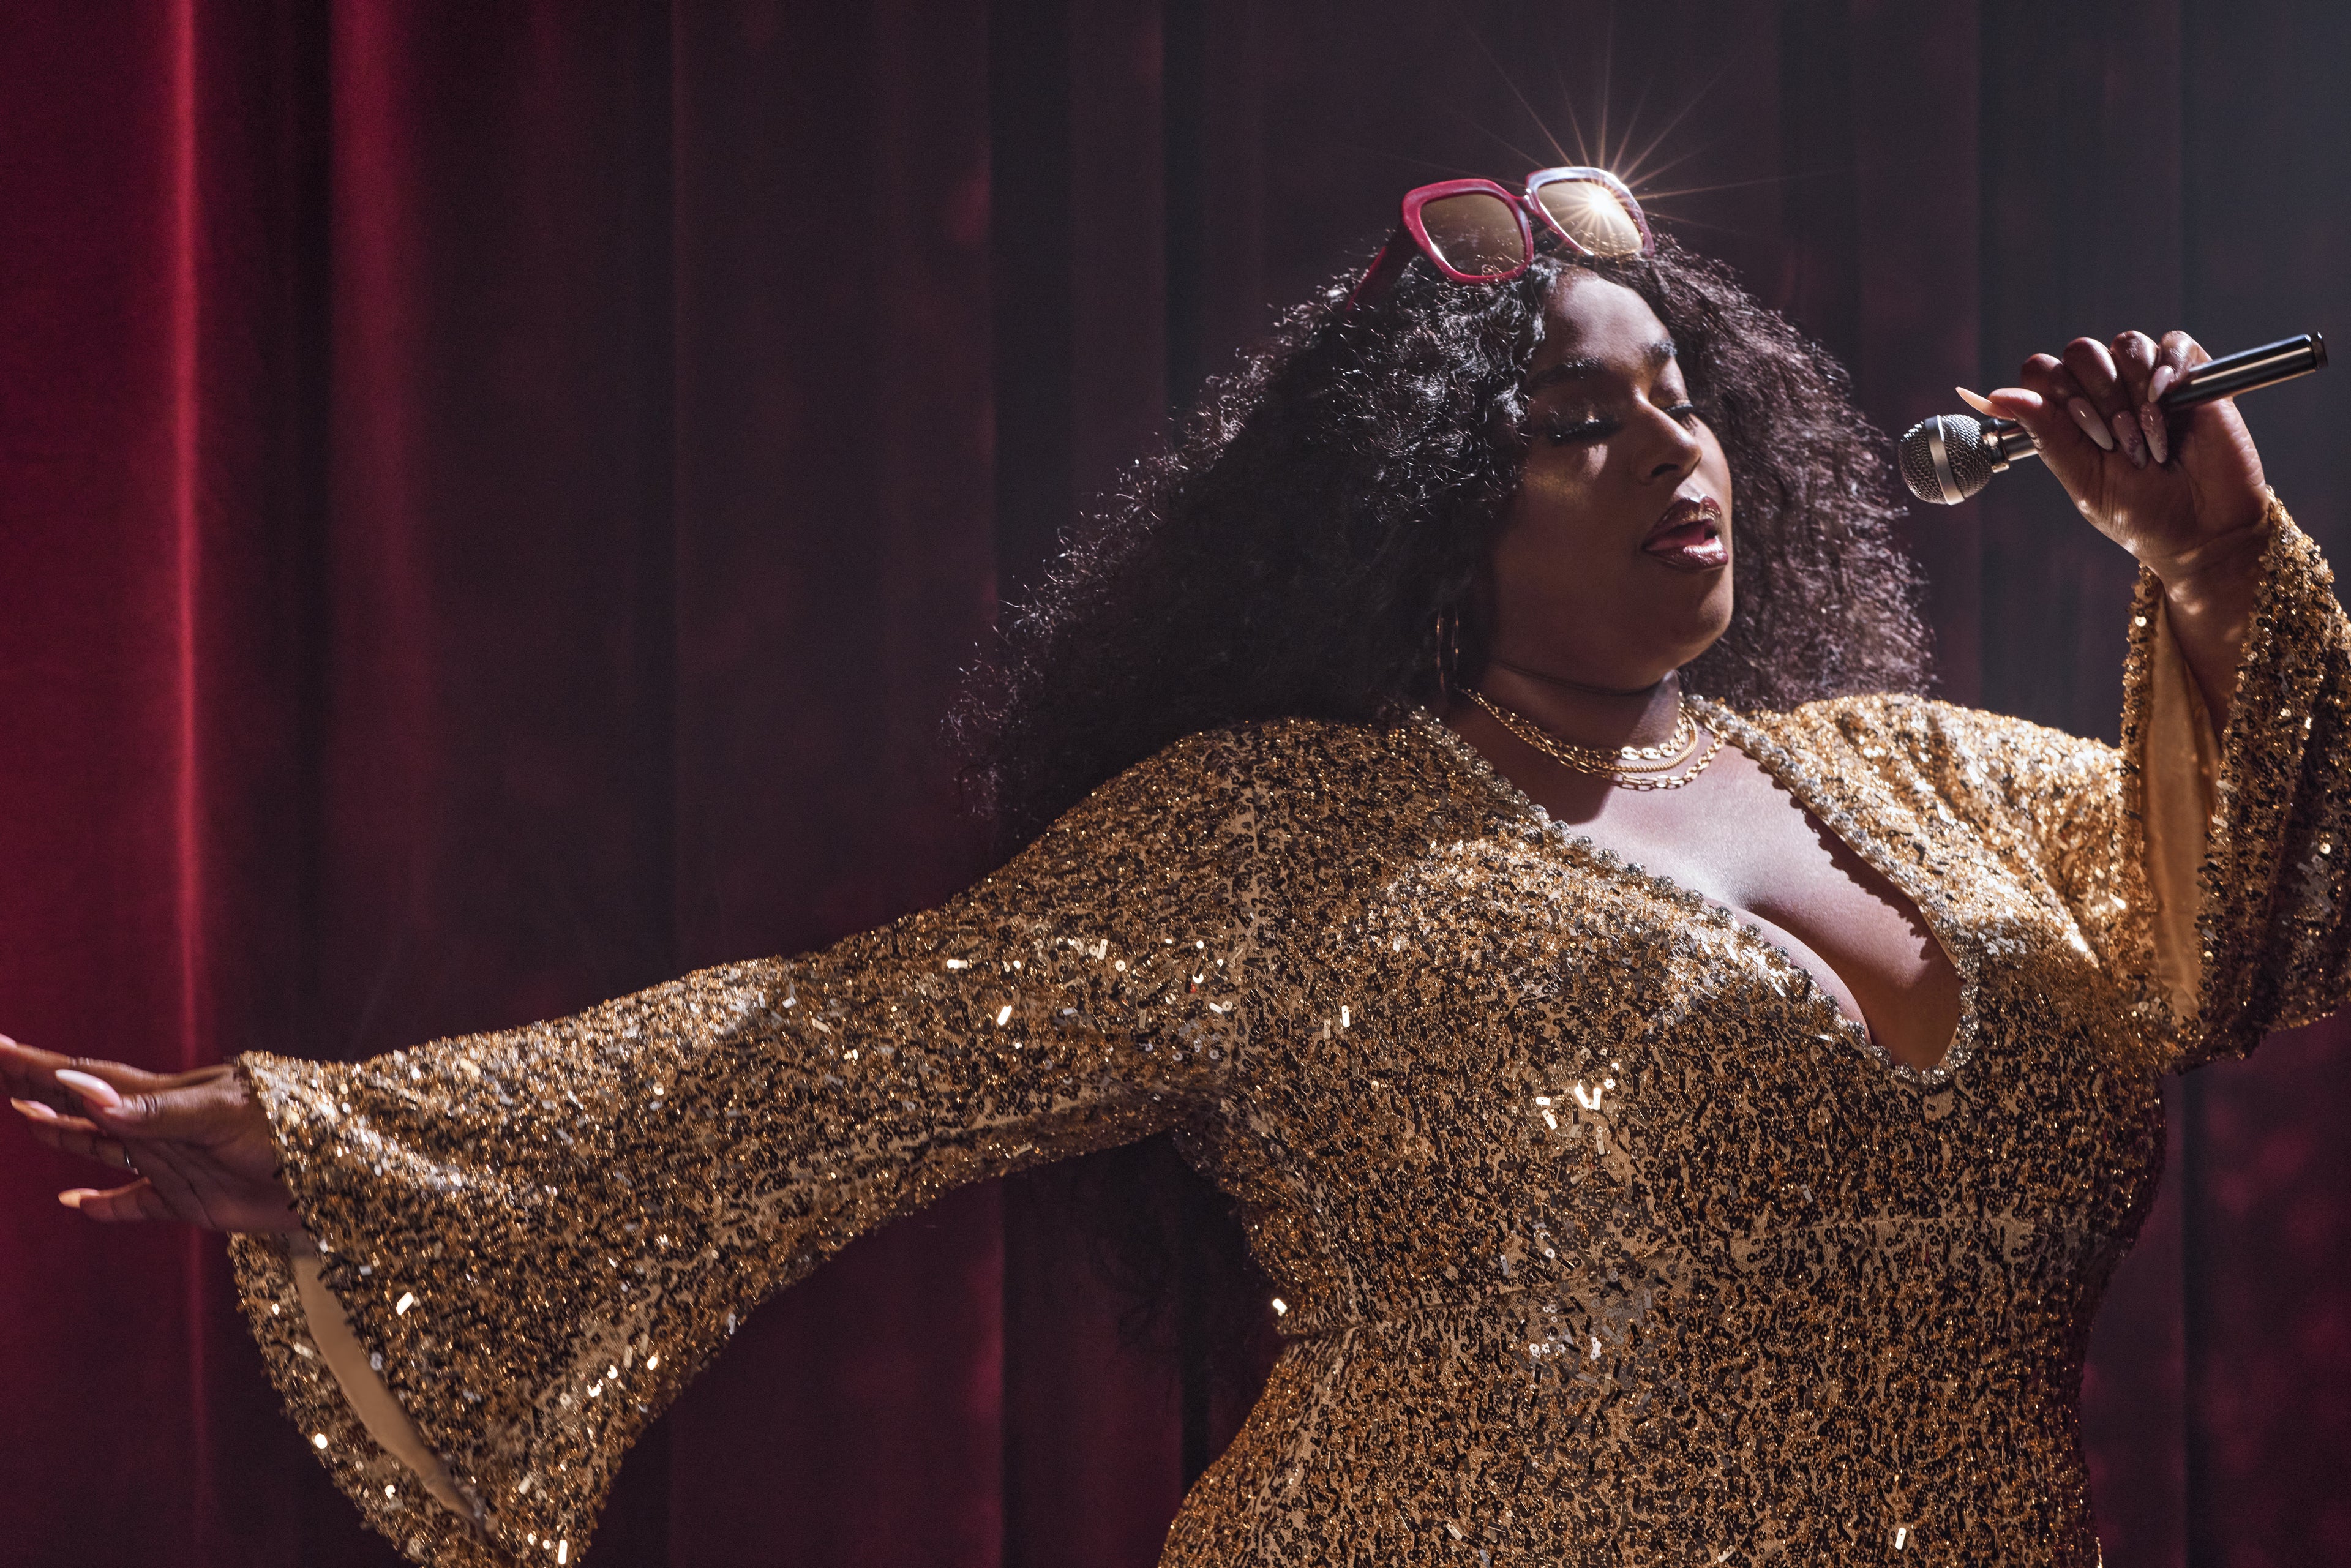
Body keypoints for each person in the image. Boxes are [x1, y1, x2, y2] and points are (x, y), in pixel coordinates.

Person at [7, 167, 2342, 1567]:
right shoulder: (1282, 840)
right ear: (1427, 506)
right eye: (1569, 420)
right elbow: (841, 1052)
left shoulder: (1926, 776)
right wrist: (346, 1138)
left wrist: (2216, 562)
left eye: (1682, 393)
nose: (1671, 449)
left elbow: (2262, 925)